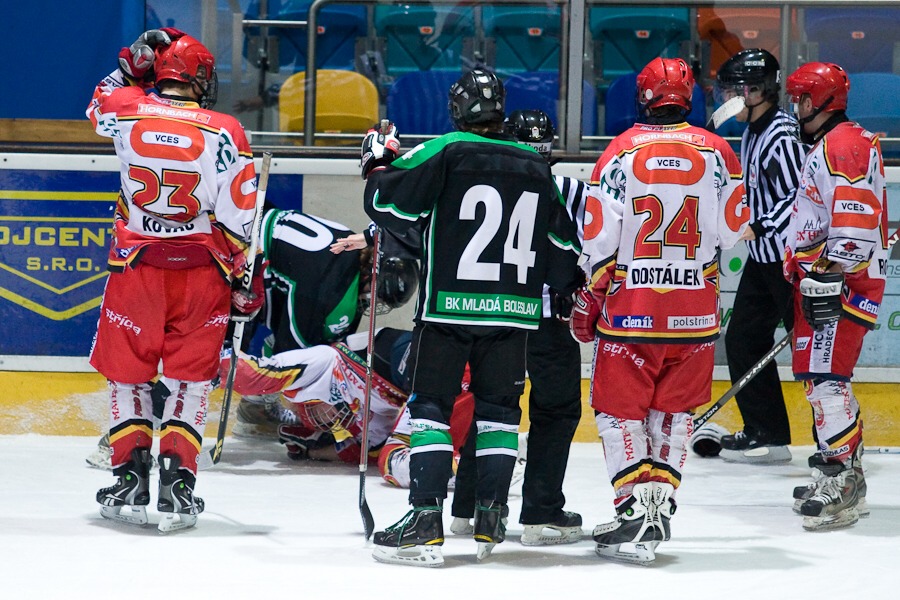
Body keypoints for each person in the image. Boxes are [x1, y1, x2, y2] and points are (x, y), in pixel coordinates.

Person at [362, 68, 583, 566]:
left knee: (431, 408)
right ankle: (491, 515)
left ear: (458, 109)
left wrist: (376, 162)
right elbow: (564, 251)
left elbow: (385, 202)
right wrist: (564, 289)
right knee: (500, 413)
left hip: (449, 309)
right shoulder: (536, 166)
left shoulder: (447, 149)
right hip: (515, 315)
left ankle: (424, 520)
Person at [571, 57, 749, 564]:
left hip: (631, 311)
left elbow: (598, 240)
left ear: (642, 97)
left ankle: (633, 509)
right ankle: (660, 508)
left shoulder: (619, 151)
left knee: (619, 412)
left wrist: (589, 296)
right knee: (673, 415)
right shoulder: (719, 152)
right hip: (696, 315)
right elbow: (734, 231)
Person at [87, 29, 263, 532]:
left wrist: (130, 64)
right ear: (197, 77)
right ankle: (178, 486)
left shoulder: (126, 107)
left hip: (137, 270)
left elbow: (96, 104)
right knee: (189, 381)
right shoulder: (226, 129)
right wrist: (241, 272)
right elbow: (239, 214)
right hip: (201, 274)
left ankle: (128, 480)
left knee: (129, 375)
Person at [783, 61, 887, 532]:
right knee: (821, 380)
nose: (797, 109)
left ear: (821, 101)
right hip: (829, 278)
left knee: (826, 381)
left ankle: (842, 479)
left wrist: (828, 274)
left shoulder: (842, 145)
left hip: (838, 283)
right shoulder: (839, 142)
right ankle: (841, 472)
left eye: (801, 99)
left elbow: (854, 222)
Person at [232, 209, 419, 439]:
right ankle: (254, 408)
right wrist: (307, 402)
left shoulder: (353, 257)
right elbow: (293, 353)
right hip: (243, 252)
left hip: (251, 234)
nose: (375, 302)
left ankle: (254, 402)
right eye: (378, 294)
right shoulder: (328, 290)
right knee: (246, 336)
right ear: (372, 273)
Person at [713, 49, 808, 464]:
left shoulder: (782, 135)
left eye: (733, 90)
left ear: (756, 90)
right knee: (743, 340)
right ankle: (767, 433)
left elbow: (799, 194)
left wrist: (762, 224)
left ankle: (837, 443)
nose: (726, 97)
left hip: (789, 259)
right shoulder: (753, 129)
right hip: (764, 259)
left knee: (812, 353)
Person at [504, 109, 588, 546]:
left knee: (492, 410)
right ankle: (540, 513)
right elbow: (602, 239)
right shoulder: (570, 189)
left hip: (492, 316)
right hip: (548, 321)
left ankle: (472, 509)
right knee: (555, 412)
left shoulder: (482, 185)